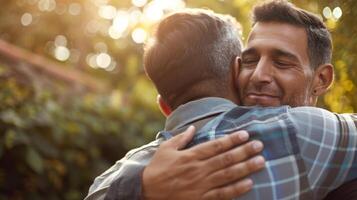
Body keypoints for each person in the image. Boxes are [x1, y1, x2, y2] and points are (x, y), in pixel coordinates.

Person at [86, 1, 357, 200]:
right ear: (234, 71)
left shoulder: (129, 170)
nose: (259, 75)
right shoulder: (304, 134)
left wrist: (139, 187)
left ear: (322, 79)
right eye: (250, 61)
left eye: (282, 62)